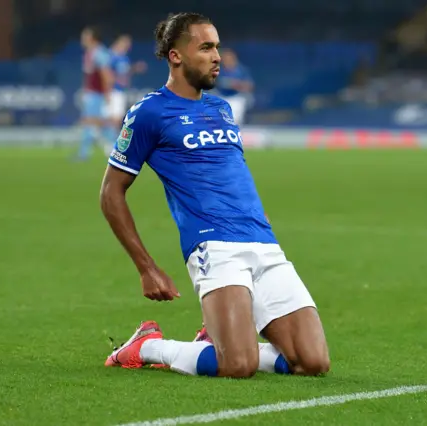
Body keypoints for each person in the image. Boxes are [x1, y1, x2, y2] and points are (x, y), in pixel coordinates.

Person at [100, 12, 330, 378]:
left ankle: (219, 339)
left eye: (217, 47)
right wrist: (147, 267)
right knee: (237, 365)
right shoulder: (149, 112)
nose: (217, 56)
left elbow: (233, 174)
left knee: (313, 362)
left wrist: (262, 220)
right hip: (213, 247)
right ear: (176, 56)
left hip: (262, 241)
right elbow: (111, 193)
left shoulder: (221, 109)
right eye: (206, 47)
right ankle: (146, 346)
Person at [105, 34, 147, 155]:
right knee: (114, 118)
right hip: (114, 90)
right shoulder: (112, 56)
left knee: (115, 118)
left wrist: (135, 68)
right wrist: (107, 90)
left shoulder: (124, 58)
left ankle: (111, 142)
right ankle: (111, 143)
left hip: (121, 91)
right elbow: (107, 73)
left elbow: (125, 71)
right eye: (126, 43)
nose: (128, 46)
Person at [76, 26, 114, 161]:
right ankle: (84, 152)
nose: (82, 39)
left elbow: (106, 75)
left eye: (85, 37)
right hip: (92, 93)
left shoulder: (99, 53)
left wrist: (107, 93)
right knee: (94, 122)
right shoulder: (90, 53)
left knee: (94, 121)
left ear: (92, 38)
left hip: (97, 94)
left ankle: (85, 152)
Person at [216, 48, 253, 125]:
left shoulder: (241, 70)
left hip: (236, 98)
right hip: (221, 97)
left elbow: (249, 86)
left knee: (235, 121)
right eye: (225, 58)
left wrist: (238, 84)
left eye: (229, 57)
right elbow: (213, 84)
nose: (227, 60)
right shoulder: (218, 69)